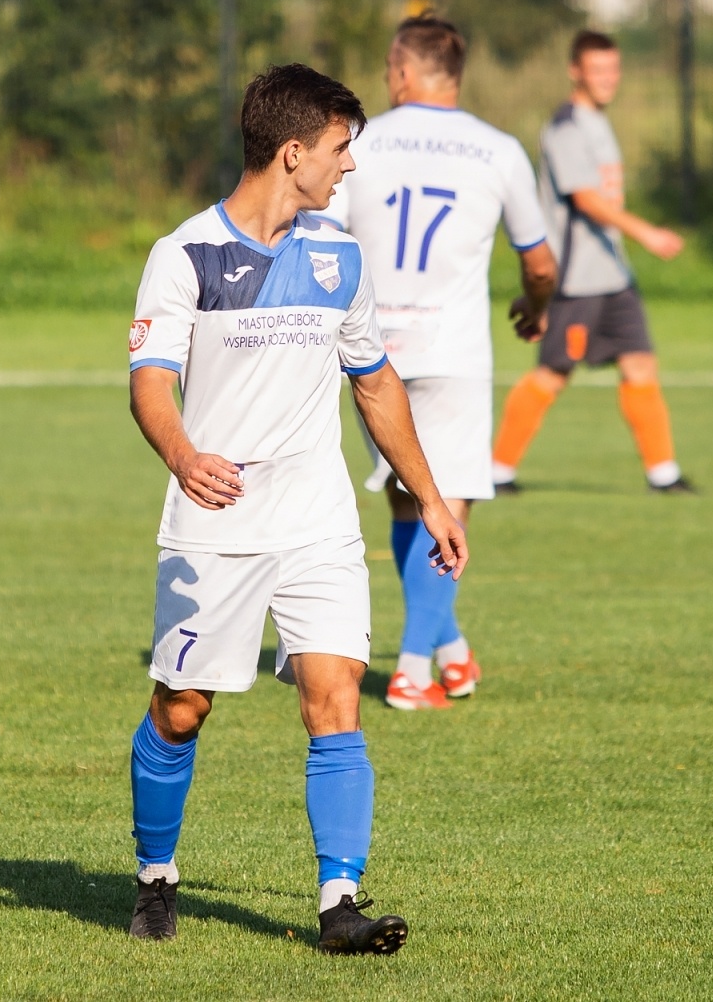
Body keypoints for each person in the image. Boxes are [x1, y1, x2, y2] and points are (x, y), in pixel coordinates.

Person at [123, 63, 468, 953]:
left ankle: (339, 905)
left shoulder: (339, 256)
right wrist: (184, 454)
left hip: (317, 519)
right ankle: (157, 875)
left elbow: (376, 384)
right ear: (293, 152)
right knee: (183, 708)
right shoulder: (185, 255)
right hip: (216, 524)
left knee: (335, 692)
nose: (348, 166)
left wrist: (430, 498)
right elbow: (150, 385)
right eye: (340, 148)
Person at [319, 14, 557, 711]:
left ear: (401, 70)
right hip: (453, 350)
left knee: (406, 496)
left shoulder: (360, 142)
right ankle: (414, 670)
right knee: (446, 505)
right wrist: (534, 305)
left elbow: (325, 242)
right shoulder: (499, 149)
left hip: (370, 348)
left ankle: (447, 649)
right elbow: (539, 260)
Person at [491, 29, 696, 495]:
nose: (608, 79)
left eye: (614, 69)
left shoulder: (597, 122)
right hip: (577, 279)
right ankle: (497, 470)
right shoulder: (565, 127)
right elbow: (585, 199)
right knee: (554, 373)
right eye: (598, 69)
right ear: (575, 71)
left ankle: (662, 473)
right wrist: (646, 232)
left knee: (641, 365)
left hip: (614, 276)